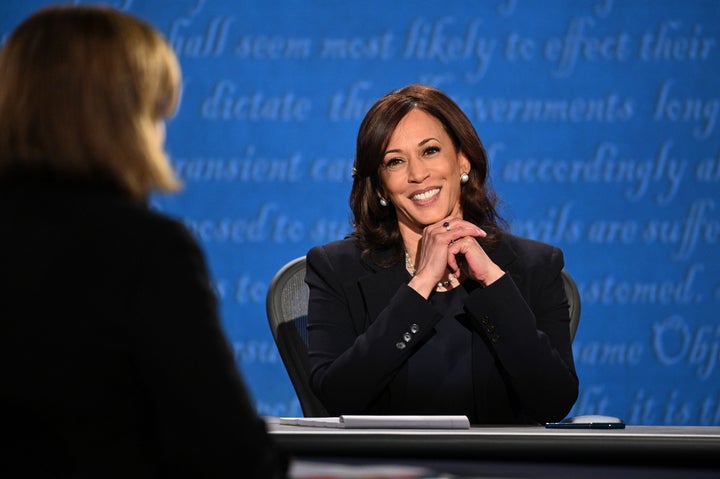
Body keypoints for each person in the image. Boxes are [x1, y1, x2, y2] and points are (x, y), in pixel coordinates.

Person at [0, 5, 287, 477]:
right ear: (123, 121)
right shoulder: (144, 252)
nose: (161, 133)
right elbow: (228, 454)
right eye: (156, 111)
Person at [305, 84, 578, 425]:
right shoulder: (335, 268)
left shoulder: (535, 265)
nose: (418, 175)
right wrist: (420, 285)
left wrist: (492, 282)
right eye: (395, 161)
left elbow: (554, 400)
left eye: (430, 151)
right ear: (380, 188)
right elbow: (338, 396)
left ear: (462, 160)